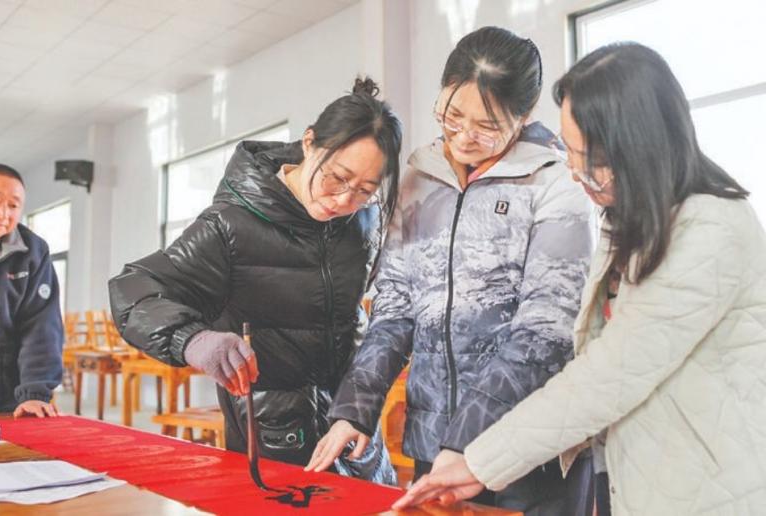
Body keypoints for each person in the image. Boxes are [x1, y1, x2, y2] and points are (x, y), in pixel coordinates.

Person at [393, 42, 766, 515]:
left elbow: (607, 375)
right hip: (637, 474)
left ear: (637, 148)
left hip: (706, 488)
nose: (572, 171)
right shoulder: (628, 222)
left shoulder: (710, 229)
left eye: (584, 156)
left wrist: (478, 460)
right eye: (569, 152)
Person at [307, 27, 594, 513]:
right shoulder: (419, 178)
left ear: (524, 117)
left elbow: (546, 330)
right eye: (451, 115)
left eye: (486, 125)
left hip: (524, 448)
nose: (462, 137)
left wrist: (468, 443)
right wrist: (354, 410)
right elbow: (395, 306)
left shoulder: (555, 183)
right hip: (433, 441)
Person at [108, 78, 401, 483]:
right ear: (309, 142)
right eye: (336, 177)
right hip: (274, 438)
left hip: (353, 432)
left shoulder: (362, 221)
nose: (341, 201)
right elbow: (132, 290)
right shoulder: (230, 224)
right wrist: (194, 340)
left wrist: (358, 408)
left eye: (364, 190)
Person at [0, 164, 63, 417]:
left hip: (9, 403)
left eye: (13, 205)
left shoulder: (33, 252)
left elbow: (41, 327)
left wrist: (34, 393)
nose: (2, 213)